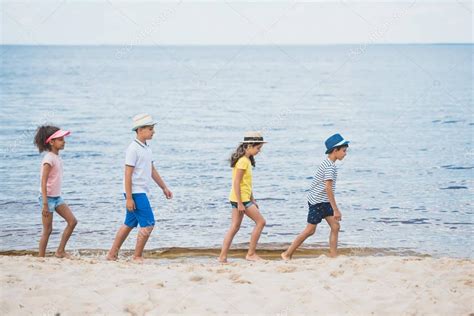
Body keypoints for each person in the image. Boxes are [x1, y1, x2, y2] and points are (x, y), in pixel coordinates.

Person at [107, 114, 173, 263]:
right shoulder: (133, 149)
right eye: (150, 129)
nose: (153, 132)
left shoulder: (146, 148)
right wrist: (129, 198)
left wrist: (164, 187)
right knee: (149, 223)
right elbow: (127, 174)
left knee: (129, 223)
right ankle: (137, 256)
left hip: (139, 191)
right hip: (135, 192)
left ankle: (112, 254)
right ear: (140, 130)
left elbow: (152, 170)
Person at [282, 133, 349, 259]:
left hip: (323, 201)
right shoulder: (329, 167)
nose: (345, 153)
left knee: (335, 226)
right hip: (318, 202)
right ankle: (287, 254)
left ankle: (333, 256)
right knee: (310, 230)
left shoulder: (329, 164)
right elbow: (328, 188)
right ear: (335, 150)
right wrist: (335, 209)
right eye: (344, 151)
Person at [219, 131, 267, 263]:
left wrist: (252, 199)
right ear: (249, 146)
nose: (259, 151)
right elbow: (236, 182)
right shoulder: (243, 162)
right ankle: (251, 254)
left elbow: (247, 184)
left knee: (234, 227)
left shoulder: (246, 160)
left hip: (240, 198)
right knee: (261, 222)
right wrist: (241, 203)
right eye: (258, 148)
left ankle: (222, 257)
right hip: (241, 199)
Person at [34, 125, 77, 258]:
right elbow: (43, 181)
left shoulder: (56, 157)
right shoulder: (49, 159)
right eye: (60, 139)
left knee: (72, 221)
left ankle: (60, 251)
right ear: (51, 142)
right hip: (47, 199)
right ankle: (41, 257)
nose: (64, 141)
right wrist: (45, 203)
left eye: (63, 139)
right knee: (47, 230)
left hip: (57, 198)